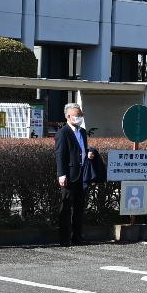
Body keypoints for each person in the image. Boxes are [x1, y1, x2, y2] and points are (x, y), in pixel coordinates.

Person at [53, 103, 104, 246]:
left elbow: (82, 148)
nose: (79, 118)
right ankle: (64, 239)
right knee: (66, 207)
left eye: (81, 115)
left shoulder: (81, 131)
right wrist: (61, 174)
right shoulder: (63, 133)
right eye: (77, 115)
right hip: (69, 175)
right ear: (68, 116)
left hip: (82, 174)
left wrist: (89, 151)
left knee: (79, 207)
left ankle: (77, 237)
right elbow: (60, 155)